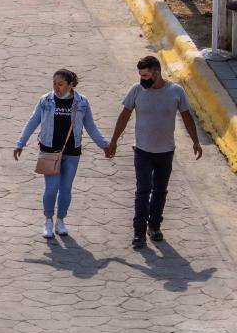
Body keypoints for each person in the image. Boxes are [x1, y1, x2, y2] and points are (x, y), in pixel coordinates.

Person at [106, 56, 202, 249]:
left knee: (160, 191)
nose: (143, 79)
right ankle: (139, 232)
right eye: (141, 75)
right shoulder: (136, 90)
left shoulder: (175, 91)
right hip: (142, 151)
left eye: (146, 75)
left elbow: (186, 117)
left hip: (166, 152)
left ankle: (155, 226)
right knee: (143, 191)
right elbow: (124, 116)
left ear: (157, 73)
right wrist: (113, 141)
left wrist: (195, 141)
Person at [14, 69, 109, 239]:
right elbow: (32, 121)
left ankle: (61, 220)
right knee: (51, 189)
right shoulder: (45, 100)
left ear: (70, 84)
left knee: (65, 189)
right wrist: (20, 143)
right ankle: (48, 220)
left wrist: (105, 145)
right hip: (49, 151)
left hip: (72, 153)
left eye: (60, 84)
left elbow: (91, 127)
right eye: (54, 84)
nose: (56, 88)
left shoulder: (82, 103)